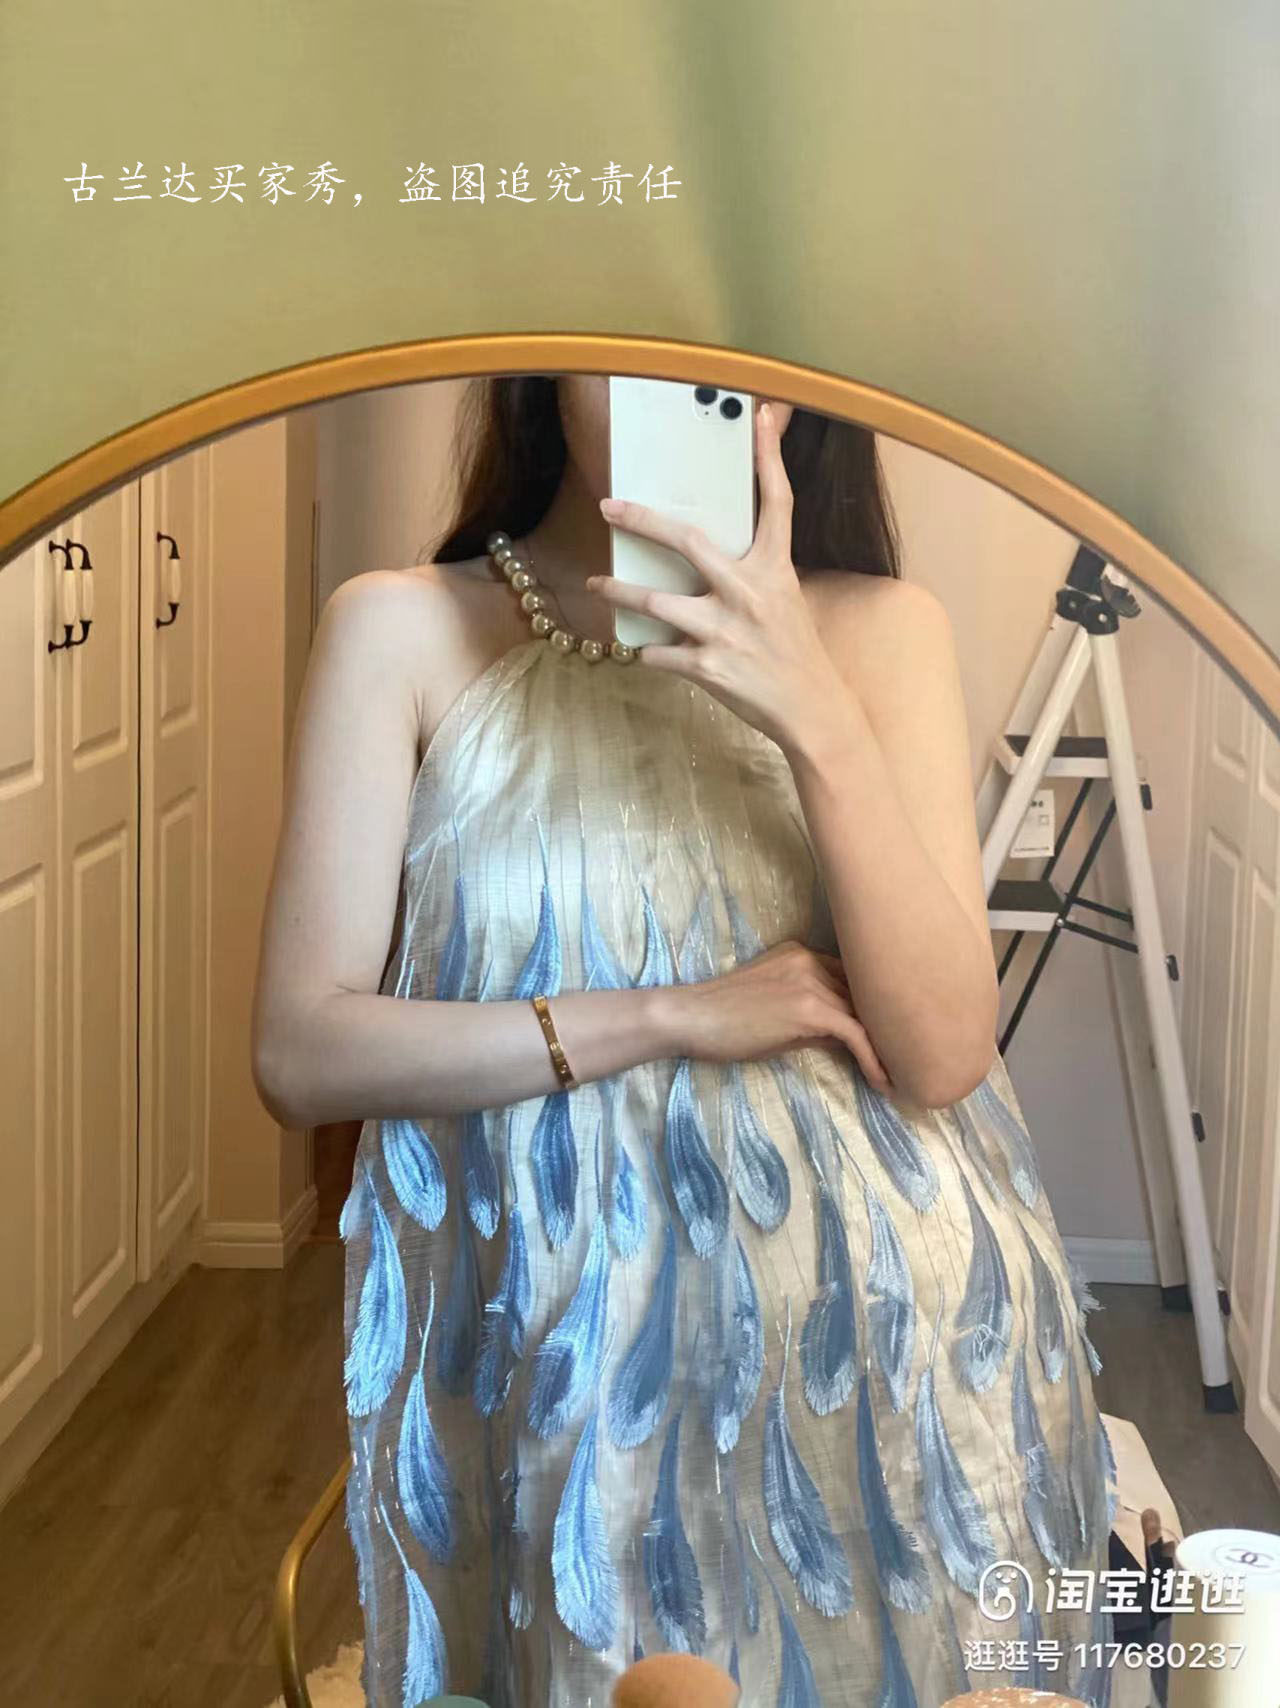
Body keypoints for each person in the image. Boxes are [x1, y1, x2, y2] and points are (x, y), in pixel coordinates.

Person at [251, 375, 1120, 1708]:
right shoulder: (402, 629)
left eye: (740, 358)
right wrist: (668, 1015)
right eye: (633, 345)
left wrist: (810, 705)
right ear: (544, 357)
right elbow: (302, 1054)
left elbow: (946, 1053)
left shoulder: (882, 628)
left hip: (889, 1359)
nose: (693, 384)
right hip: (561, 1350)